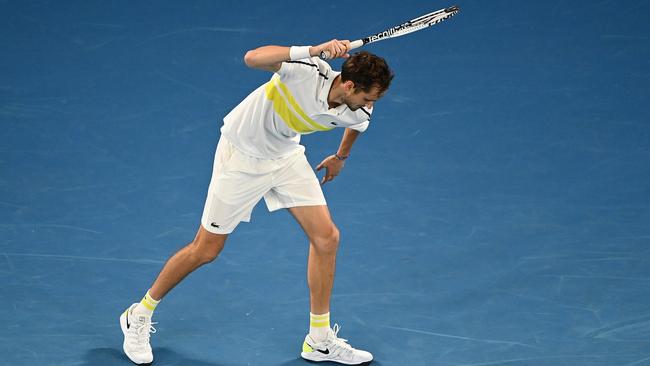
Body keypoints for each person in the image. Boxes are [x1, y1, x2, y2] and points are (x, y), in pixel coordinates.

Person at [119, 39, 394, 365]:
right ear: (348, 85)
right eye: (368, 96)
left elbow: (358, 124)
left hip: (285, 156)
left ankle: (319, 340)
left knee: (327, 238)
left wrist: (341, 156)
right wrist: (313, 50)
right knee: (206, 249)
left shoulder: (360, 107)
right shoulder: (307, 72)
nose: (372, 104)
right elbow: (252, 58)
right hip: (242, 155)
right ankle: (138, 313)